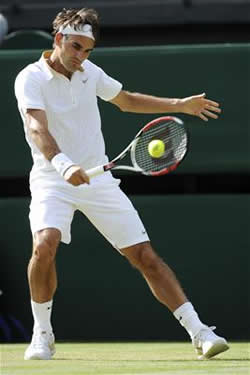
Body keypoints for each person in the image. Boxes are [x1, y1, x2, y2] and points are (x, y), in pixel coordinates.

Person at [14, 7, 229, 361]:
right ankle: (42, 333)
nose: (81, 57)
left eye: (87, 50)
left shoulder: (89, 73)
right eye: (75, 48)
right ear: (58, 40)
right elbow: (37, 128)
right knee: (44, 245)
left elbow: (126, 101)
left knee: (145, 256)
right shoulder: (29, 78)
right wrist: (64, 165)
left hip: (99, 182)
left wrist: (181, 105)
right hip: (52, 180)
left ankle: (200, 332)